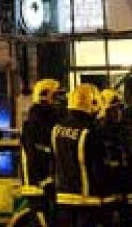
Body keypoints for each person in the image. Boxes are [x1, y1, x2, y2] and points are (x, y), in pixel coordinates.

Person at [53, 83, 107, 227]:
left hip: (63, 199)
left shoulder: (57, 129)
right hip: (86, 200)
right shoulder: (90, 131)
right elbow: (99, 167)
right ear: (92, 103)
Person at [95, 88, 132, 225]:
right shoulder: (97, 134)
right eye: (114, 109)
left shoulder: (125, 132)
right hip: (107, 196)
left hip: (126, 194)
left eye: (120, 109)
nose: (118, 113)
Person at [22, 78, 62, 185]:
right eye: (55, 96)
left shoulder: (47, 118)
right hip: (42, 182)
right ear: (44, 96)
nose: (58, 100)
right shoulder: (38, 122)